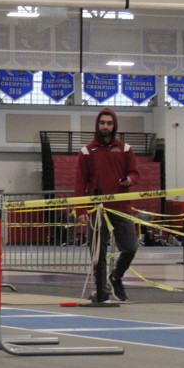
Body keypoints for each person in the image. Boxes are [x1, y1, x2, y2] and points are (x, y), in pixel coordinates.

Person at [75, 109, 140, 303]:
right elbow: (80, 183)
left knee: (130, 247)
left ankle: (116, 277)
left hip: (122, 206)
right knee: (98, 251)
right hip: (97, 209)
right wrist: (80, 209)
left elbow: (135, 173)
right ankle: (101, 291)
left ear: (114, 125)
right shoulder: (87, 152)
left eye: (109, 123)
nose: (105, 126)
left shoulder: (125, 149)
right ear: (97, 124)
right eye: (102, 122)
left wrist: (129, 179)